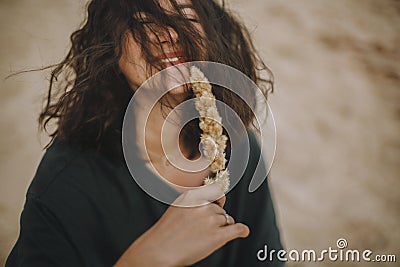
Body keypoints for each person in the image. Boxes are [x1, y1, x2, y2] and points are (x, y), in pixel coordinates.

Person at [6, 0, 284, 266]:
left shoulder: (239, 149)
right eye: (144, 22)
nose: (170, 35)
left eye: (185, 17)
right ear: (110, 46)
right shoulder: (66, 179)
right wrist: (149, 258)